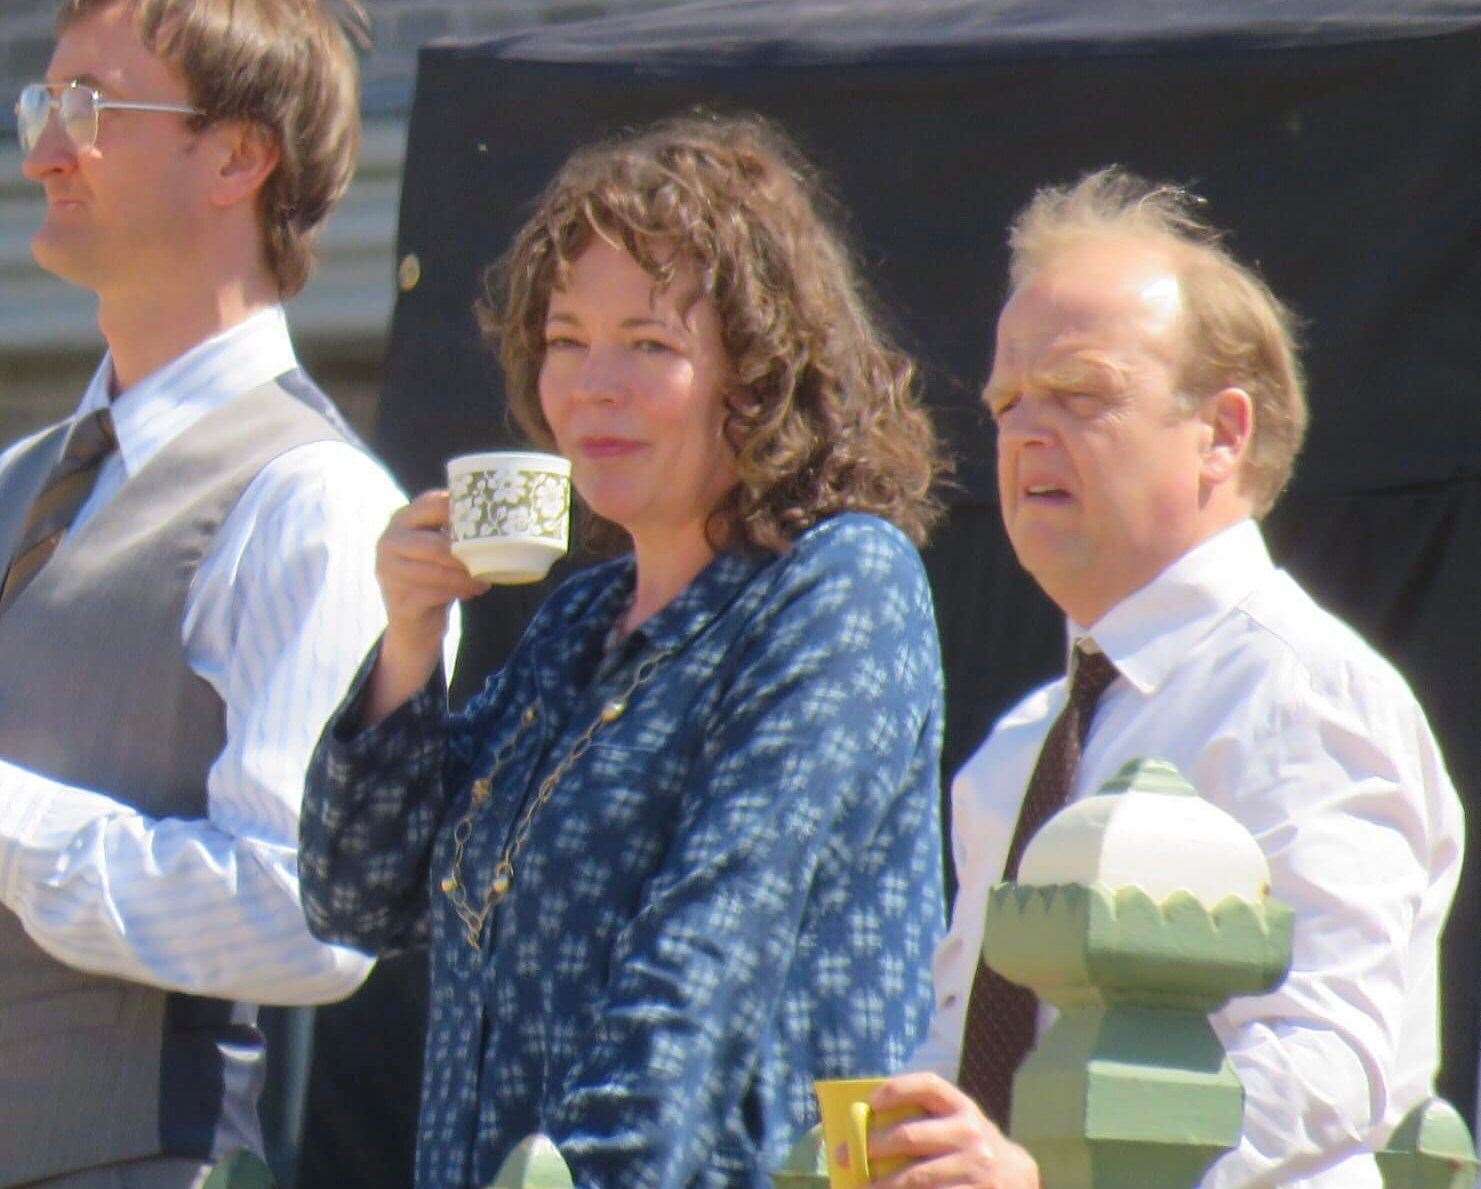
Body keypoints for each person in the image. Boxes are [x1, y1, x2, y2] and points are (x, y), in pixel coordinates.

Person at [298, 112, 949, 1187]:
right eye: (565, 339)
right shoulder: (575, 619)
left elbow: (707, 957)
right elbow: (356, 900)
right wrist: (410, 637)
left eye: (649, 344)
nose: (591, 385)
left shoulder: (837, 585)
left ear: (760, 370)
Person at [860, 169, 1465, 1187]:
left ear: (1221, 433)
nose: (1022, 433)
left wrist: (1055, 1179)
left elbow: (1334, 1061)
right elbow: (966, 1052)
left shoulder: (1297, 693)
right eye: (1006, 401)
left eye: (1079, 392)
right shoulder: (1016, 749)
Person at [0, 1, 417, 1183]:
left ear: (239, 156)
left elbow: (314, 912)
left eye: (89, 108)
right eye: (42, 103)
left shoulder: (316, 501)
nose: (41, 151)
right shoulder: (15, 482)